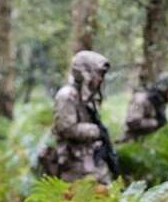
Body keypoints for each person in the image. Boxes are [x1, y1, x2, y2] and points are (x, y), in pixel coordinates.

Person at [37, 50, 114, 184]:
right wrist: (95, 131)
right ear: (86, 73)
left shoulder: (87, 96)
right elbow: (65, 128)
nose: (101, 79)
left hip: (87, 157)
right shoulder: (67, 95)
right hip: (71, 161)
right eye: (99, 74)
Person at [120, 73, 168, 142]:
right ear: (164, 89)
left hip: (149, 141)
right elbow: (132, 122)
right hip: (133, 141)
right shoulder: (141, 99)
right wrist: (156, 122)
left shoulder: (160, 101)